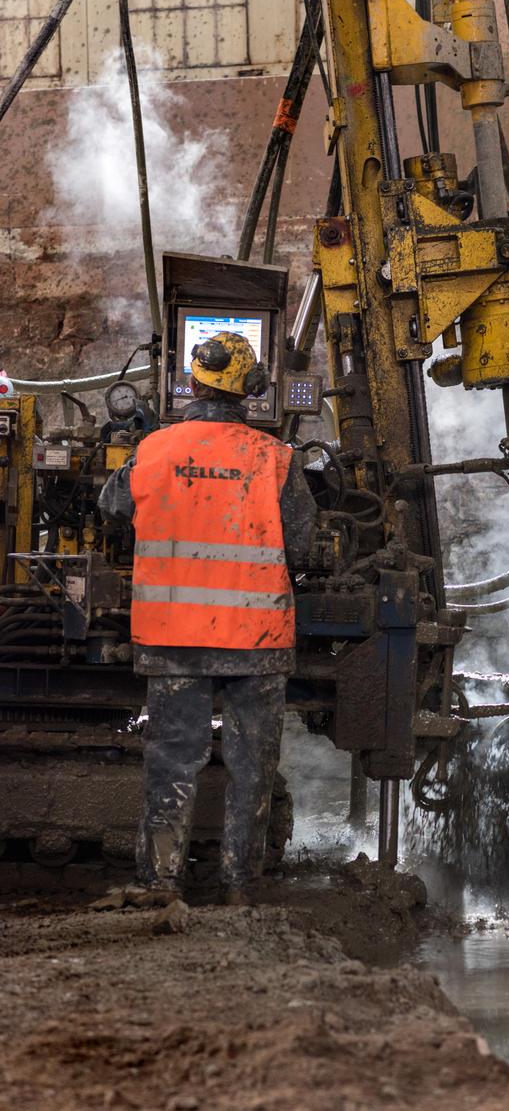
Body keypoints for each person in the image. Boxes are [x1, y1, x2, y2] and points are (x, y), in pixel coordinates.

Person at [99, 331, 316, 906]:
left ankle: (161, 882)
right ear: (250, 391)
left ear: (190, 382)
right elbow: (304, 540)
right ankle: (241, 885)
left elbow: (111, 507)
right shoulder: (275, 458)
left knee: (172, 757)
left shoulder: (154, 449)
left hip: (174, 636)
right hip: (256, 638)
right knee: (252, 764)